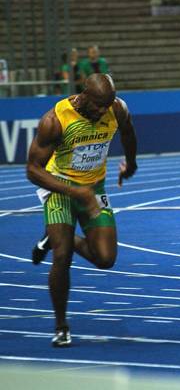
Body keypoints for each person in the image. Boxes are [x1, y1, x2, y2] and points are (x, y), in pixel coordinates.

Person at [27, 73, 138, 347]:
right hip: (60, 188)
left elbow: (128, 132)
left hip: (94, 188)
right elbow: (33, 170)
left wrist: (131, 163)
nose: (103, 111)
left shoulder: (116, 109)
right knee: (62, 256)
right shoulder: (55, 120)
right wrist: (76, 192)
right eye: (99, 105)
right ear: (84, 95)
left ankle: (51, 238)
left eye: (107, 105)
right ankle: (61, 326)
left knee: (105, 258)